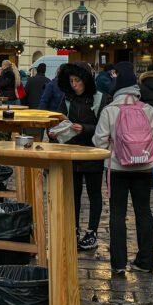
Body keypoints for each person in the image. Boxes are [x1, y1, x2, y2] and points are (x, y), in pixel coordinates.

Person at [93, 62, 153, 275]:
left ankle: (119, 264)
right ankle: (145, 261)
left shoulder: (110, 110)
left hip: (117, 168)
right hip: (144, 167)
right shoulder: (148, 110)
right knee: (144, 213)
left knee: (117, 214)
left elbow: (99, 143)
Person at [55, 63, 103, 251]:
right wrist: (56, 131)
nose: (74, 85)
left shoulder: (100, 99)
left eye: (77, 81)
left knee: (94, 193)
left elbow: (103, 126)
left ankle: (92, 231)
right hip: (71, 152)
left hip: (92, 152)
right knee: (73, 193)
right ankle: (72, 229)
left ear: (86, 81)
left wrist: (85, 128)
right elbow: (60, 120)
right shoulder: (67, 99)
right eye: (71, 81)